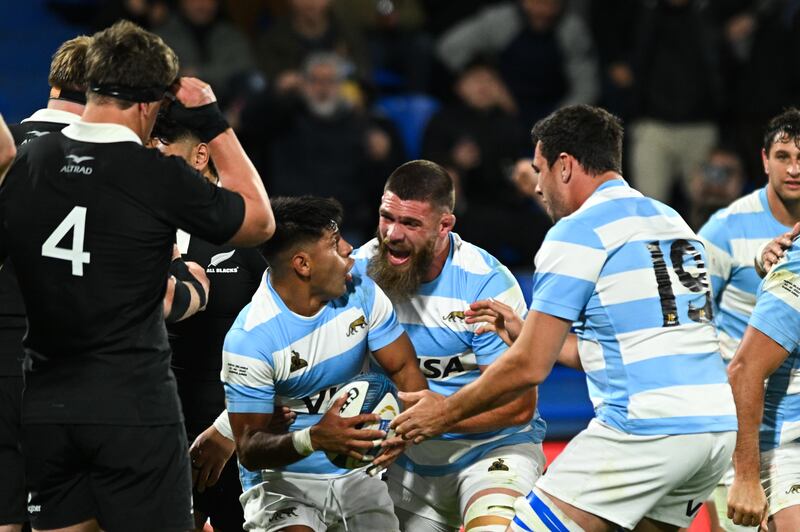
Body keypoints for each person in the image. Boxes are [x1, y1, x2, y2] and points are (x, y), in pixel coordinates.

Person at [393, 105, 738, 531]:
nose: (537, 187)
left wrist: (441, 413)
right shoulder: (671, 220)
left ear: (565, 165)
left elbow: (528, 368)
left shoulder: (575, 231)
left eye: (539, 170)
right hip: (715, 430)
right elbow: (624, 348)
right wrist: (527, 333)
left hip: (644, 430)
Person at [0, 20, 274, 532]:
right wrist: (214, 123)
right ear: (150, 105)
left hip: (45, 405)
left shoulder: (29, 161)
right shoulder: (155, 175)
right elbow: (259, 219)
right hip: (132, 407)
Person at [351, 159, 546, 532]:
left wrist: (438, 419)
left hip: (491, 452)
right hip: (403, 458)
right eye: (386, 217)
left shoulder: (484, 285)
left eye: (410, 223)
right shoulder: (359, 272)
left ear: (445, 226)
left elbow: (519, 406)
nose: (392, 233)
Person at [220, 195, 427, 531]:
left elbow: (404, 369)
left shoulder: (360, 289)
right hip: (283, 485)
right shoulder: (251, 339)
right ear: (303, 264)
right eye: (334, 242)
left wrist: (409, 428)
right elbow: (249, 449)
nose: (348, 249)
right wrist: (314, 439)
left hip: (359, 476)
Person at [149, 102, 268, 532]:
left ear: (200, 156)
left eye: (161, 144)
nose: (149, 154)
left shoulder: (249, 232)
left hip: (234, 431)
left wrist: (230, 429)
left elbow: (282, 338)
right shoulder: (136, 224)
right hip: (151, 426)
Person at [697, 108, 800, 530]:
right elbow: (688, 324)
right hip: (740, 428)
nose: (794, 168)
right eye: (783, 156)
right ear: (763, 160)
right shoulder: (723, 230)